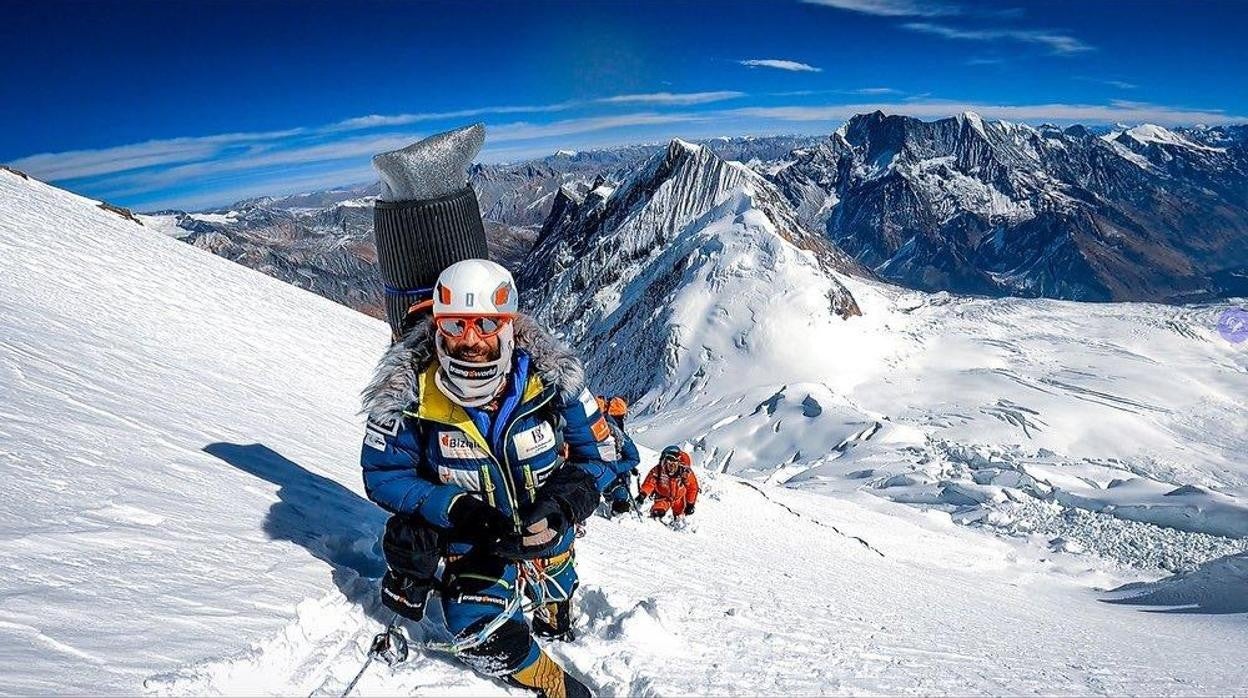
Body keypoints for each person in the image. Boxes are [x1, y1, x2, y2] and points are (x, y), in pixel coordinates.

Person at [360, 258, 619, 698]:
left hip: (546, 533)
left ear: (508, 325)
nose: (470, 339)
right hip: (472, 543)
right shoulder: (410, 398)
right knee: (475, 627)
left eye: (484, 323)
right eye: (456, 325)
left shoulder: (555, 383)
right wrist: (452, 507)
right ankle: (554, 684)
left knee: (556, 581)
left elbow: (602, 453)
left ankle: (555, 614)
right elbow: (384, 474)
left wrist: (565, 499)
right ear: (437, 327)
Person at [598, 397, 641, 516]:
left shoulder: (593, 427)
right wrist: (618, 467)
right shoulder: (617, 433)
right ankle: (618, 504)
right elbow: (633, 457)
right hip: (614, 474)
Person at [636, 446, 699, 520]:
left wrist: (690, 504)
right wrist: (643, 493)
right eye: (669, 460)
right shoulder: (658, 470)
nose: (672, 464)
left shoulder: (685, 472)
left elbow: (692, 488)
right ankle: (654, 523)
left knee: (681, 516)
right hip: (663, 497)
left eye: (675, 460)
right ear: (665, 460)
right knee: (657, 512)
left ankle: (678, 523)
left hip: (679, 498)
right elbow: (649, 483)